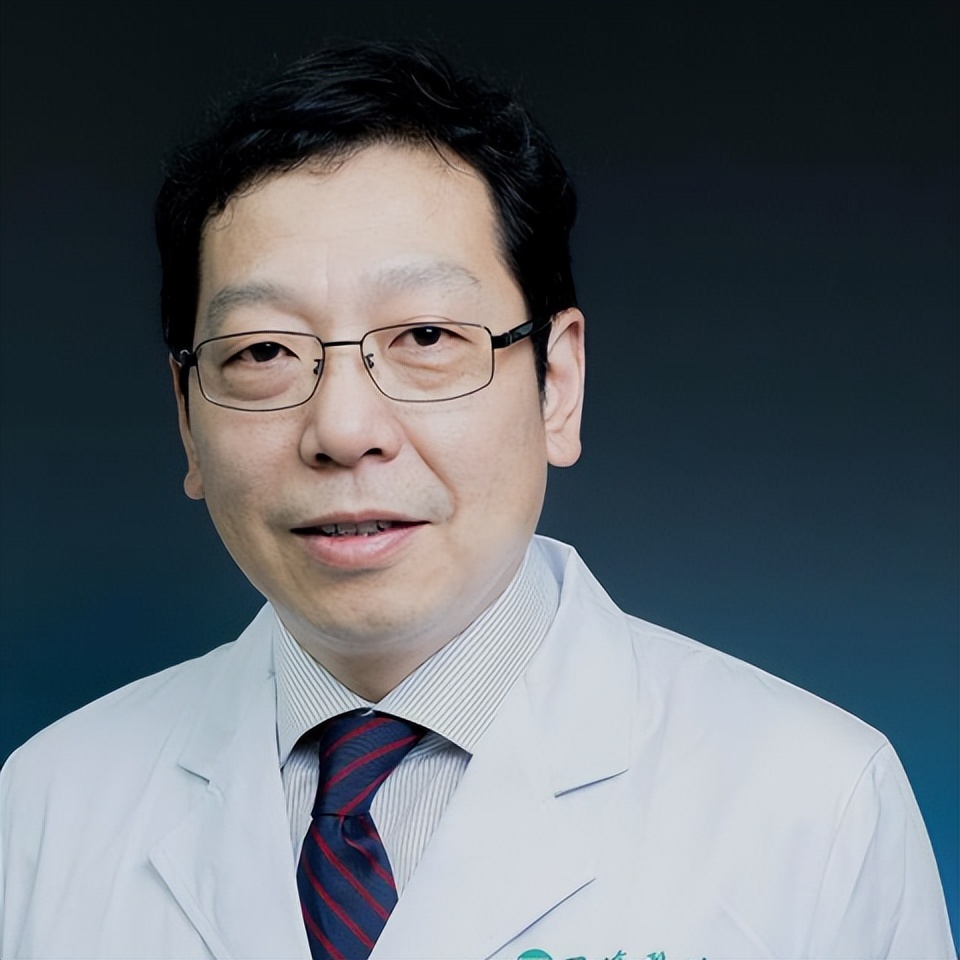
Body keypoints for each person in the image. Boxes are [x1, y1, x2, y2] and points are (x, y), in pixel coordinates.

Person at [0, 41, 953, 960]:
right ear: (186, 417)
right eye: (263, 351)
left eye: (424, 336)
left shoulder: (816, 805)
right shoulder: (47, 806)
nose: (344, 429)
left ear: (557, 385)